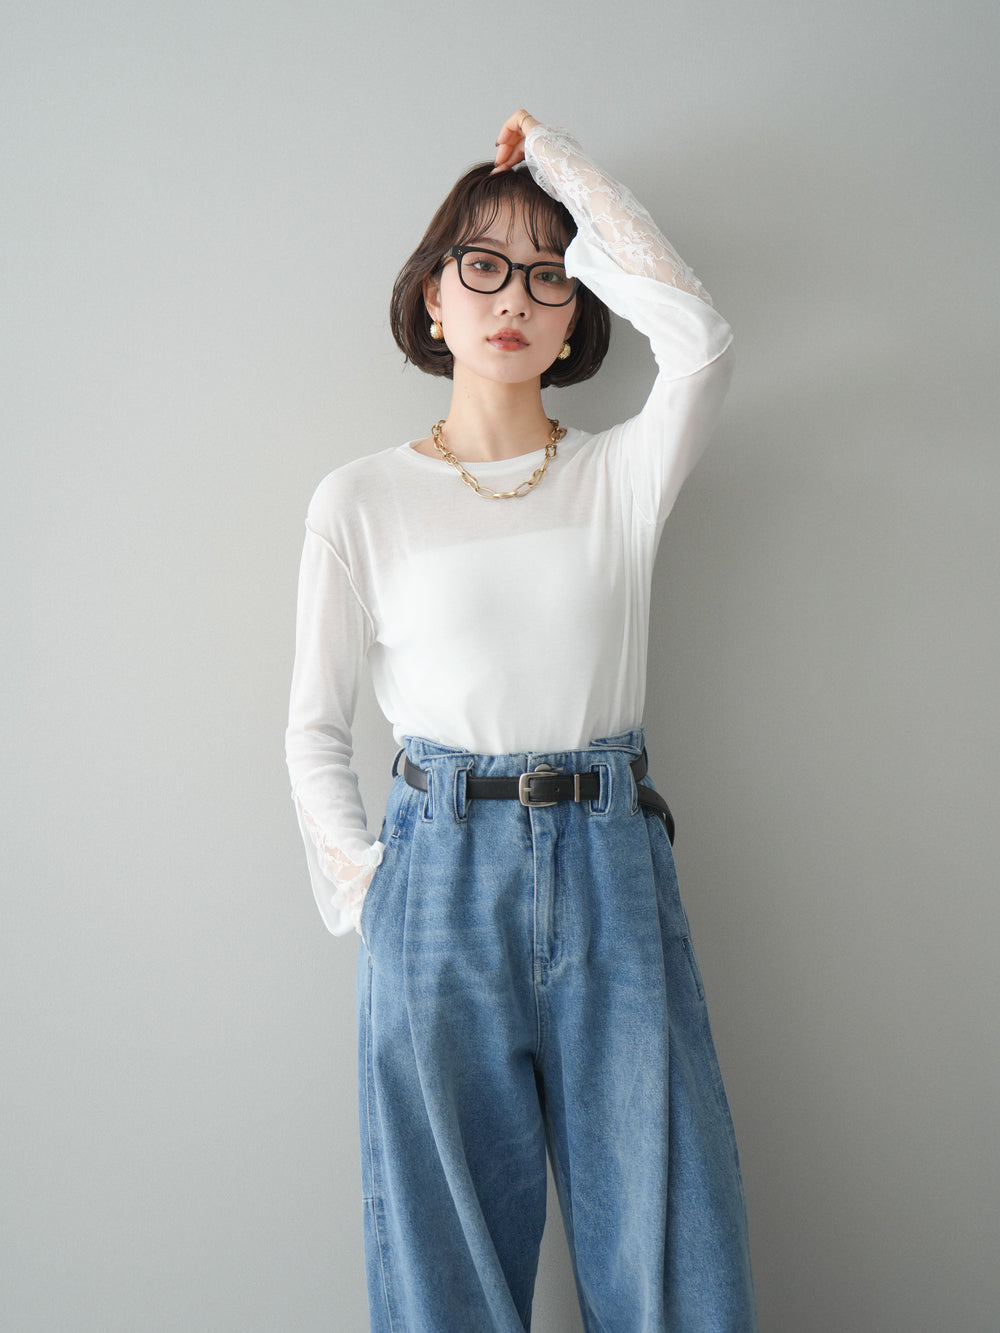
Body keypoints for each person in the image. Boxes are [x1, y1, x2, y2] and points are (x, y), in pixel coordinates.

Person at [285, 108, 758, 1332]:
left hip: (610, 863)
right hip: (436, 872)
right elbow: (314, 730)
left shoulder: (620, 474)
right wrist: (373, 892)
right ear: (431, 299)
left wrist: (562, 168)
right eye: (482, 265)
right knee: (443, 1271)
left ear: (575, 313)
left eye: (549, 275)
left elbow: (700, 344)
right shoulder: (361, 500)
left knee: (669, 1252)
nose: (514, 297)